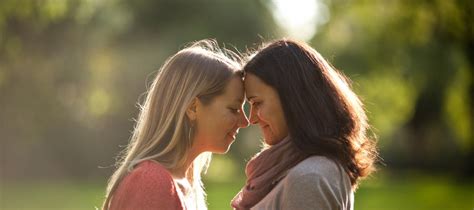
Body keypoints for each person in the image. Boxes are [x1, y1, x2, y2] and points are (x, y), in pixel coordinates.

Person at [102, 39, 249, 210]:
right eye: (233, 109)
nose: (245, 122)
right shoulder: (151, 182)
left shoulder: (188, 184)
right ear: (193, 107)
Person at [231, 39, 378, 210]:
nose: (252, 119)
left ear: (292, 99)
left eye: (257, 103)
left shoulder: (309, 178)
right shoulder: (308, 169)